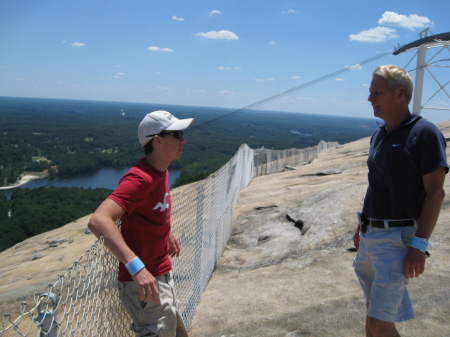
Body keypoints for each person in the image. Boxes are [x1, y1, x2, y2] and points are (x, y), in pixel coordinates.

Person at [353, 65, 448, 337]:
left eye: (377, 92)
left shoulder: (424, 132)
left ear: (400, 94)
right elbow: (377, 184)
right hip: (372, 236)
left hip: (396, 238)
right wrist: (362, 225)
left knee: (379, 324)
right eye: (370, 92)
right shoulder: (379, 134)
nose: (370, 98)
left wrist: (419, 245)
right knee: (374, 316)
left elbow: (435, 192)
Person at [88, 110, 193, 337]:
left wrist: (166, 232)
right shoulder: (140, 179)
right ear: (158, 141)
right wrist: (137, 268)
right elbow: (98, 221)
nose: (183, 140)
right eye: (177, 134)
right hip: (145, 285)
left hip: (161, 275)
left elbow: (151, 209)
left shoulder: (160, 171)